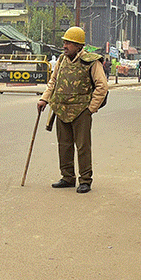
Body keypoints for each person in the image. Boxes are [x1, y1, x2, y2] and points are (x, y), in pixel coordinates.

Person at [37, 26, 109, 194]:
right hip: (61, 109)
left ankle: (85, 180)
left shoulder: (91, 61)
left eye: (69, 43)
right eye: (64, 42)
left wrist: (91, 108)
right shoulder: (61, 60)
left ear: (78, 46)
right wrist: (44, 99)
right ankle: (67, 177)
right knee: (64, 145)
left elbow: (102, 86)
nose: (65, 46)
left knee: (83, 146)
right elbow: (53, 82)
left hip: (81, 111)